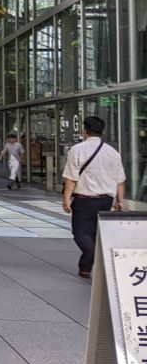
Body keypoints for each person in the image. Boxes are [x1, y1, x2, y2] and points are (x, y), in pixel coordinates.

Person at [62, 116, 125, 279]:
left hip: (84, 200)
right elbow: (120, 180)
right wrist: (120, 201)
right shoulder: (113, 152)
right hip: (106, 201)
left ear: (85, 131)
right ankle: (85, 267)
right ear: (101, 132)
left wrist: (67, 198)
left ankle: (93, 257)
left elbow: (71, 178)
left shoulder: (77, 150)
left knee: (81, 233)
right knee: (97, 233)